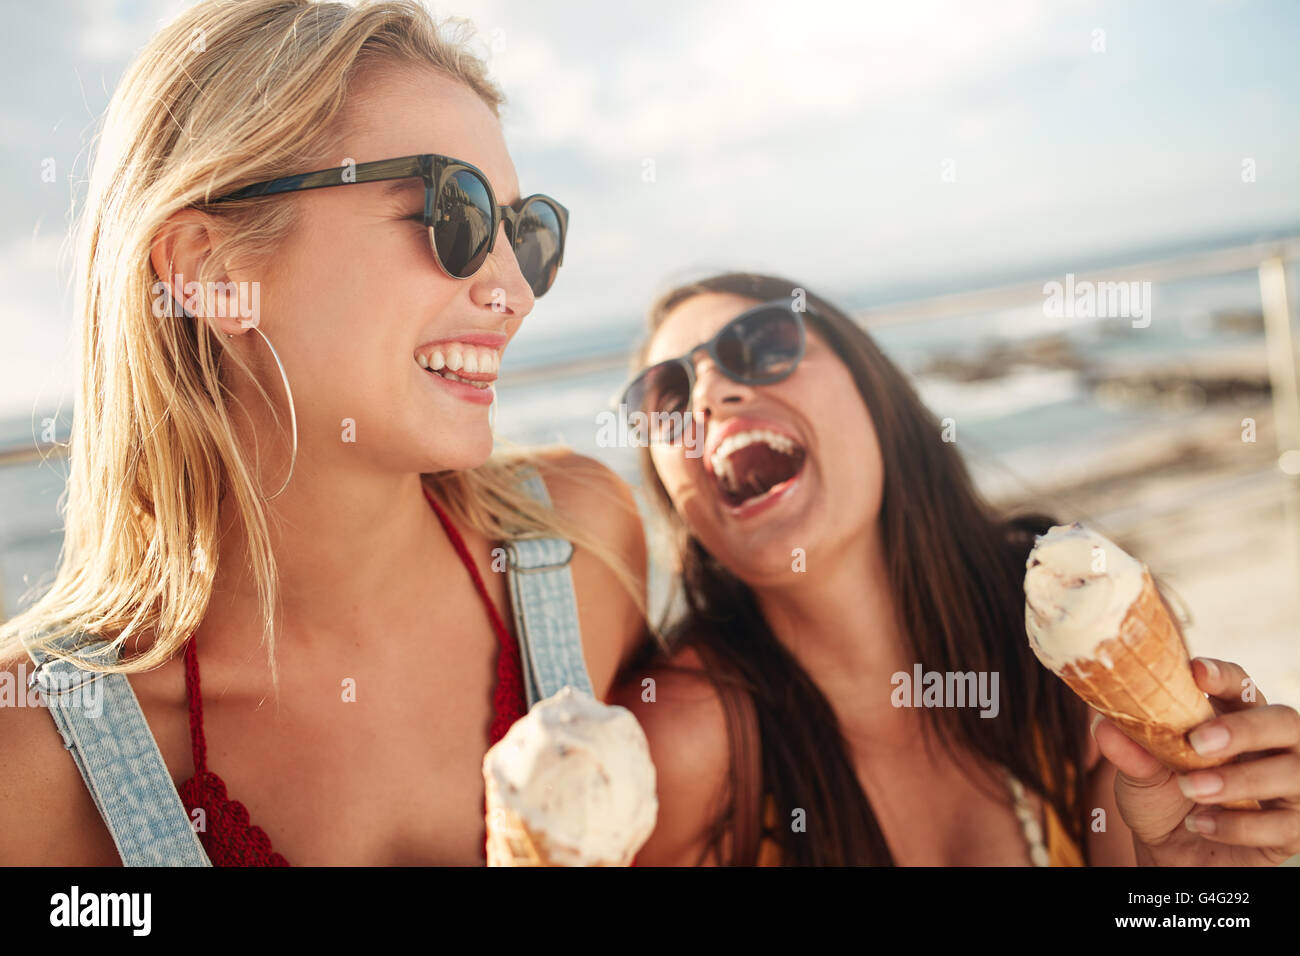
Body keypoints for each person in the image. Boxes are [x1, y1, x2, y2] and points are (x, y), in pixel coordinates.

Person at [0, 0, 648, 866]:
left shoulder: (583, 553)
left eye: (525, 232)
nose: (515, 291)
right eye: (451, 215)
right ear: (213, 271)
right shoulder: (34, 755)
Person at [611, 271, 1300, 866]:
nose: (707, 397)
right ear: (674, 497)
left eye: (762, 345)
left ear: (872, 387)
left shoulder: (1072, 648)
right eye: (664, 401)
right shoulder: (683, 745)